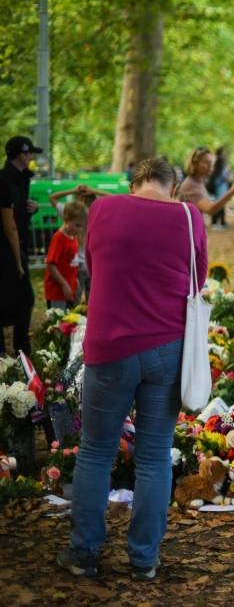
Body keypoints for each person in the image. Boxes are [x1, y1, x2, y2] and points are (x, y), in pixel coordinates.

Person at [56, 157, 208, 580]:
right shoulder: (189, 216)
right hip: (167, 348)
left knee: (96, 452)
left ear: (134, 182)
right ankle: (144, 560)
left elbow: (94, 263)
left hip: (110, 347)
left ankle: (84, 554)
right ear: (173, 186)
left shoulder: (103, 210)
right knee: (154, 457)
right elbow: (198, 282)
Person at [0, 136, 41, 355]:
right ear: (19, 155)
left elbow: (18, 218)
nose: (32, 157)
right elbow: (9, 226)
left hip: (17, 246)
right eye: (29, 153)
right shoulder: (4, 180)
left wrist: (30, 210)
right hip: (6, 250)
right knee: (23, 297)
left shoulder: (22, 179)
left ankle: (20, 348)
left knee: (23, 299)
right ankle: (15, 350)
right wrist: (18, 261)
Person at [176, 146, 234, 219]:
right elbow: (210, 209)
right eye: (206, 162)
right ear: (194, 163)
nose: (210, 166)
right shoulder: (191, 185)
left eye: (212, 162)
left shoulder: (198, 181)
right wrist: (232, 192)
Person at [43, 201, 87, 309]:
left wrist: (74, 280)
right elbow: (50, 264)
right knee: (58, 322)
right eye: (77, 225)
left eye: (82, 226)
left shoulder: (73, 236)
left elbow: (71, 261)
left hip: (69, 289)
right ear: (66, 219)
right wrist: (64, 284)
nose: (80, 229)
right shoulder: (59, 238)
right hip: (57, 292)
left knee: (69, 322)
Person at [206, 146, 232, 229]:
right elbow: (223, 175)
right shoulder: (220, 160)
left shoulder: (216, 160)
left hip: (219, 185)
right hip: (220, 185)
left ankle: (219, 222)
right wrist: (228, 176)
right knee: (220, 203)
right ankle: (219, 223)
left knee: (219, 203)